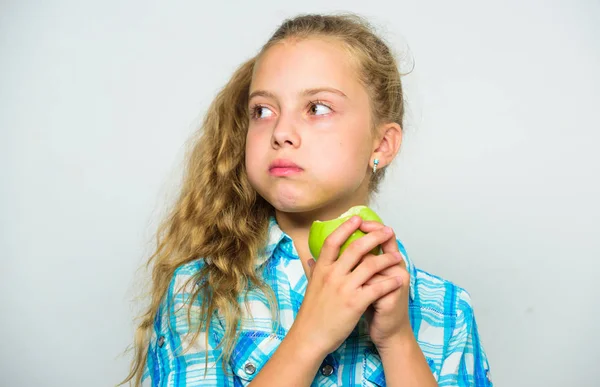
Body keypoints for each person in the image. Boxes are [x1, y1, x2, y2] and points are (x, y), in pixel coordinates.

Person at [121, 13, 493, 387]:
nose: (281, 132)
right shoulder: (200, 292)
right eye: (263, 111)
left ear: (381, 144)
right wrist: (309, 338)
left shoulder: (447, 309)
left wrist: (397, 341)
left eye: (317, 108)